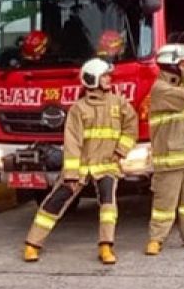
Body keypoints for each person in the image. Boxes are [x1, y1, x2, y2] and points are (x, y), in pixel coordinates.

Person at [22, 58, 137, 265]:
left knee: (108, 206)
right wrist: (72, 175)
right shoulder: (78, 108)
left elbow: (131, 126)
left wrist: (121, 151)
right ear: (93, 80)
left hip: (106, 166)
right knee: (54, 202)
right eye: (105, 76)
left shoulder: (118, 103)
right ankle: (32, 244)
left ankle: (105, 246)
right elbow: (72, 143)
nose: (109, 79)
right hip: (80, 168)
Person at [144, 43, 184, 256]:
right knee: (164, 202)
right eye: (182, 63)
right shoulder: (161, 89)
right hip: (170, 157)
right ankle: (156, 239)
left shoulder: (176, 86)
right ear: (173, 66)